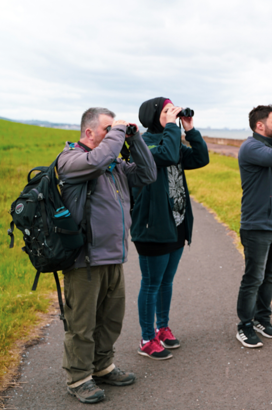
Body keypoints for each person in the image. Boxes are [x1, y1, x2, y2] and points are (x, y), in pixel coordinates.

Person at [57, 107, 157, 404]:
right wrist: (119, 132)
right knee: (82, 324)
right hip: (84, 259)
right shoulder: (73, 160)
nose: (114, 134)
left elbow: (149, 174)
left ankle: (102, 366)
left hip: (114, 256)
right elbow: (98, 159)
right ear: (89, 133)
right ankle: (79, 378)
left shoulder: (114, 166)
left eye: (116, 130)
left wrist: (135, 138)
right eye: (107, 129)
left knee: (111, 320)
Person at [131, 97, 209, 360]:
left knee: (166, 281)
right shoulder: (141, 143)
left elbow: (200, 158)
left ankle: (162, 328)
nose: (172, 114)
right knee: (151, 283)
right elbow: (163, 156)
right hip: (152, 226)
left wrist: (189, 129)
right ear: (154, 116)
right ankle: (146, 337)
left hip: (176, 224)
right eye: (167, 111)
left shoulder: (172, 139)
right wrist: (172, 128)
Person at [235, 104, 272, 348]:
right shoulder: (251, 147)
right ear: (259, 125)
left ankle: (262, 318)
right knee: (254, 277)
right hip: (257, 226)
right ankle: (245, 325)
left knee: (270, 276)